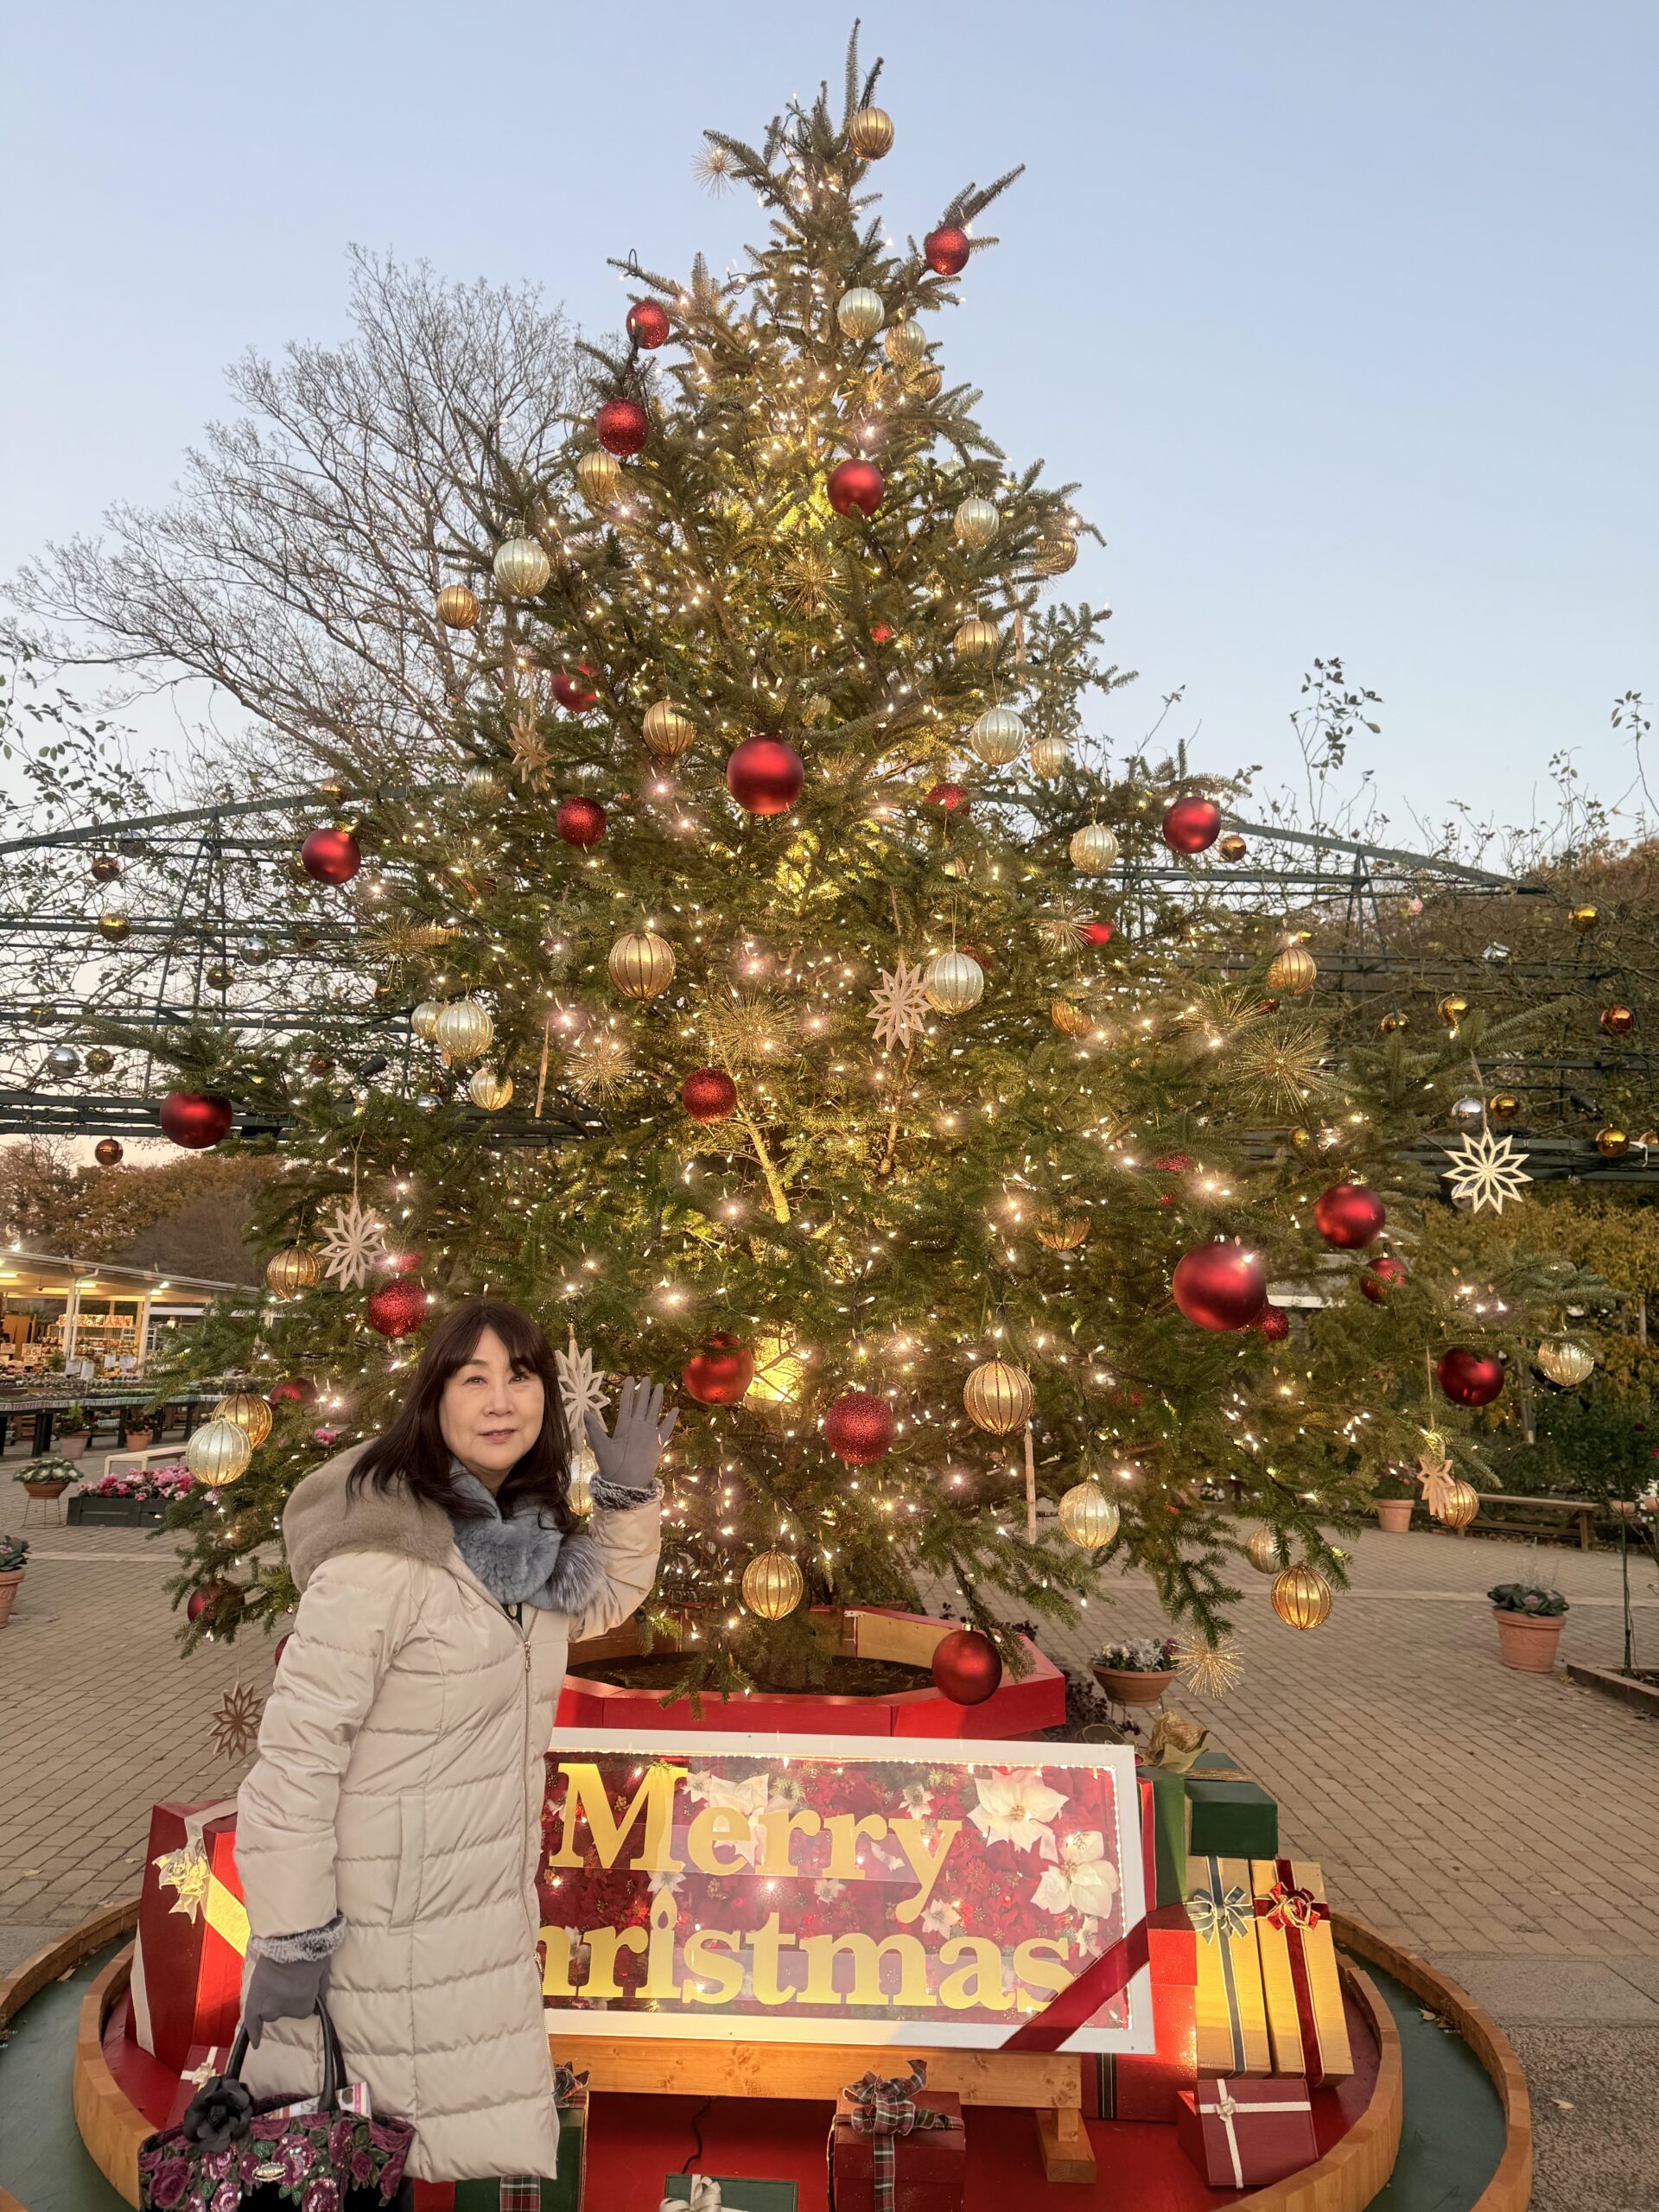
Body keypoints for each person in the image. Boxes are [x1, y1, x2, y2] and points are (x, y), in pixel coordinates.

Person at [232, 1300, 674, 2182]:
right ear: (432, 1397)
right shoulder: (382, 1553)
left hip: (471, 1908)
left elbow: (600, 1600)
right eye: (473, 1377)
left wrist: (627, 1500)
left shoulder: (519, 1541)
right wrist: (290, 1936)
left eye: (519, 1375)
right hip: (376, 1924)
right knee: (358, 2148)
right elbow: (296, 1758)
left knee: (407, 2145)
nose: (500, 1399)